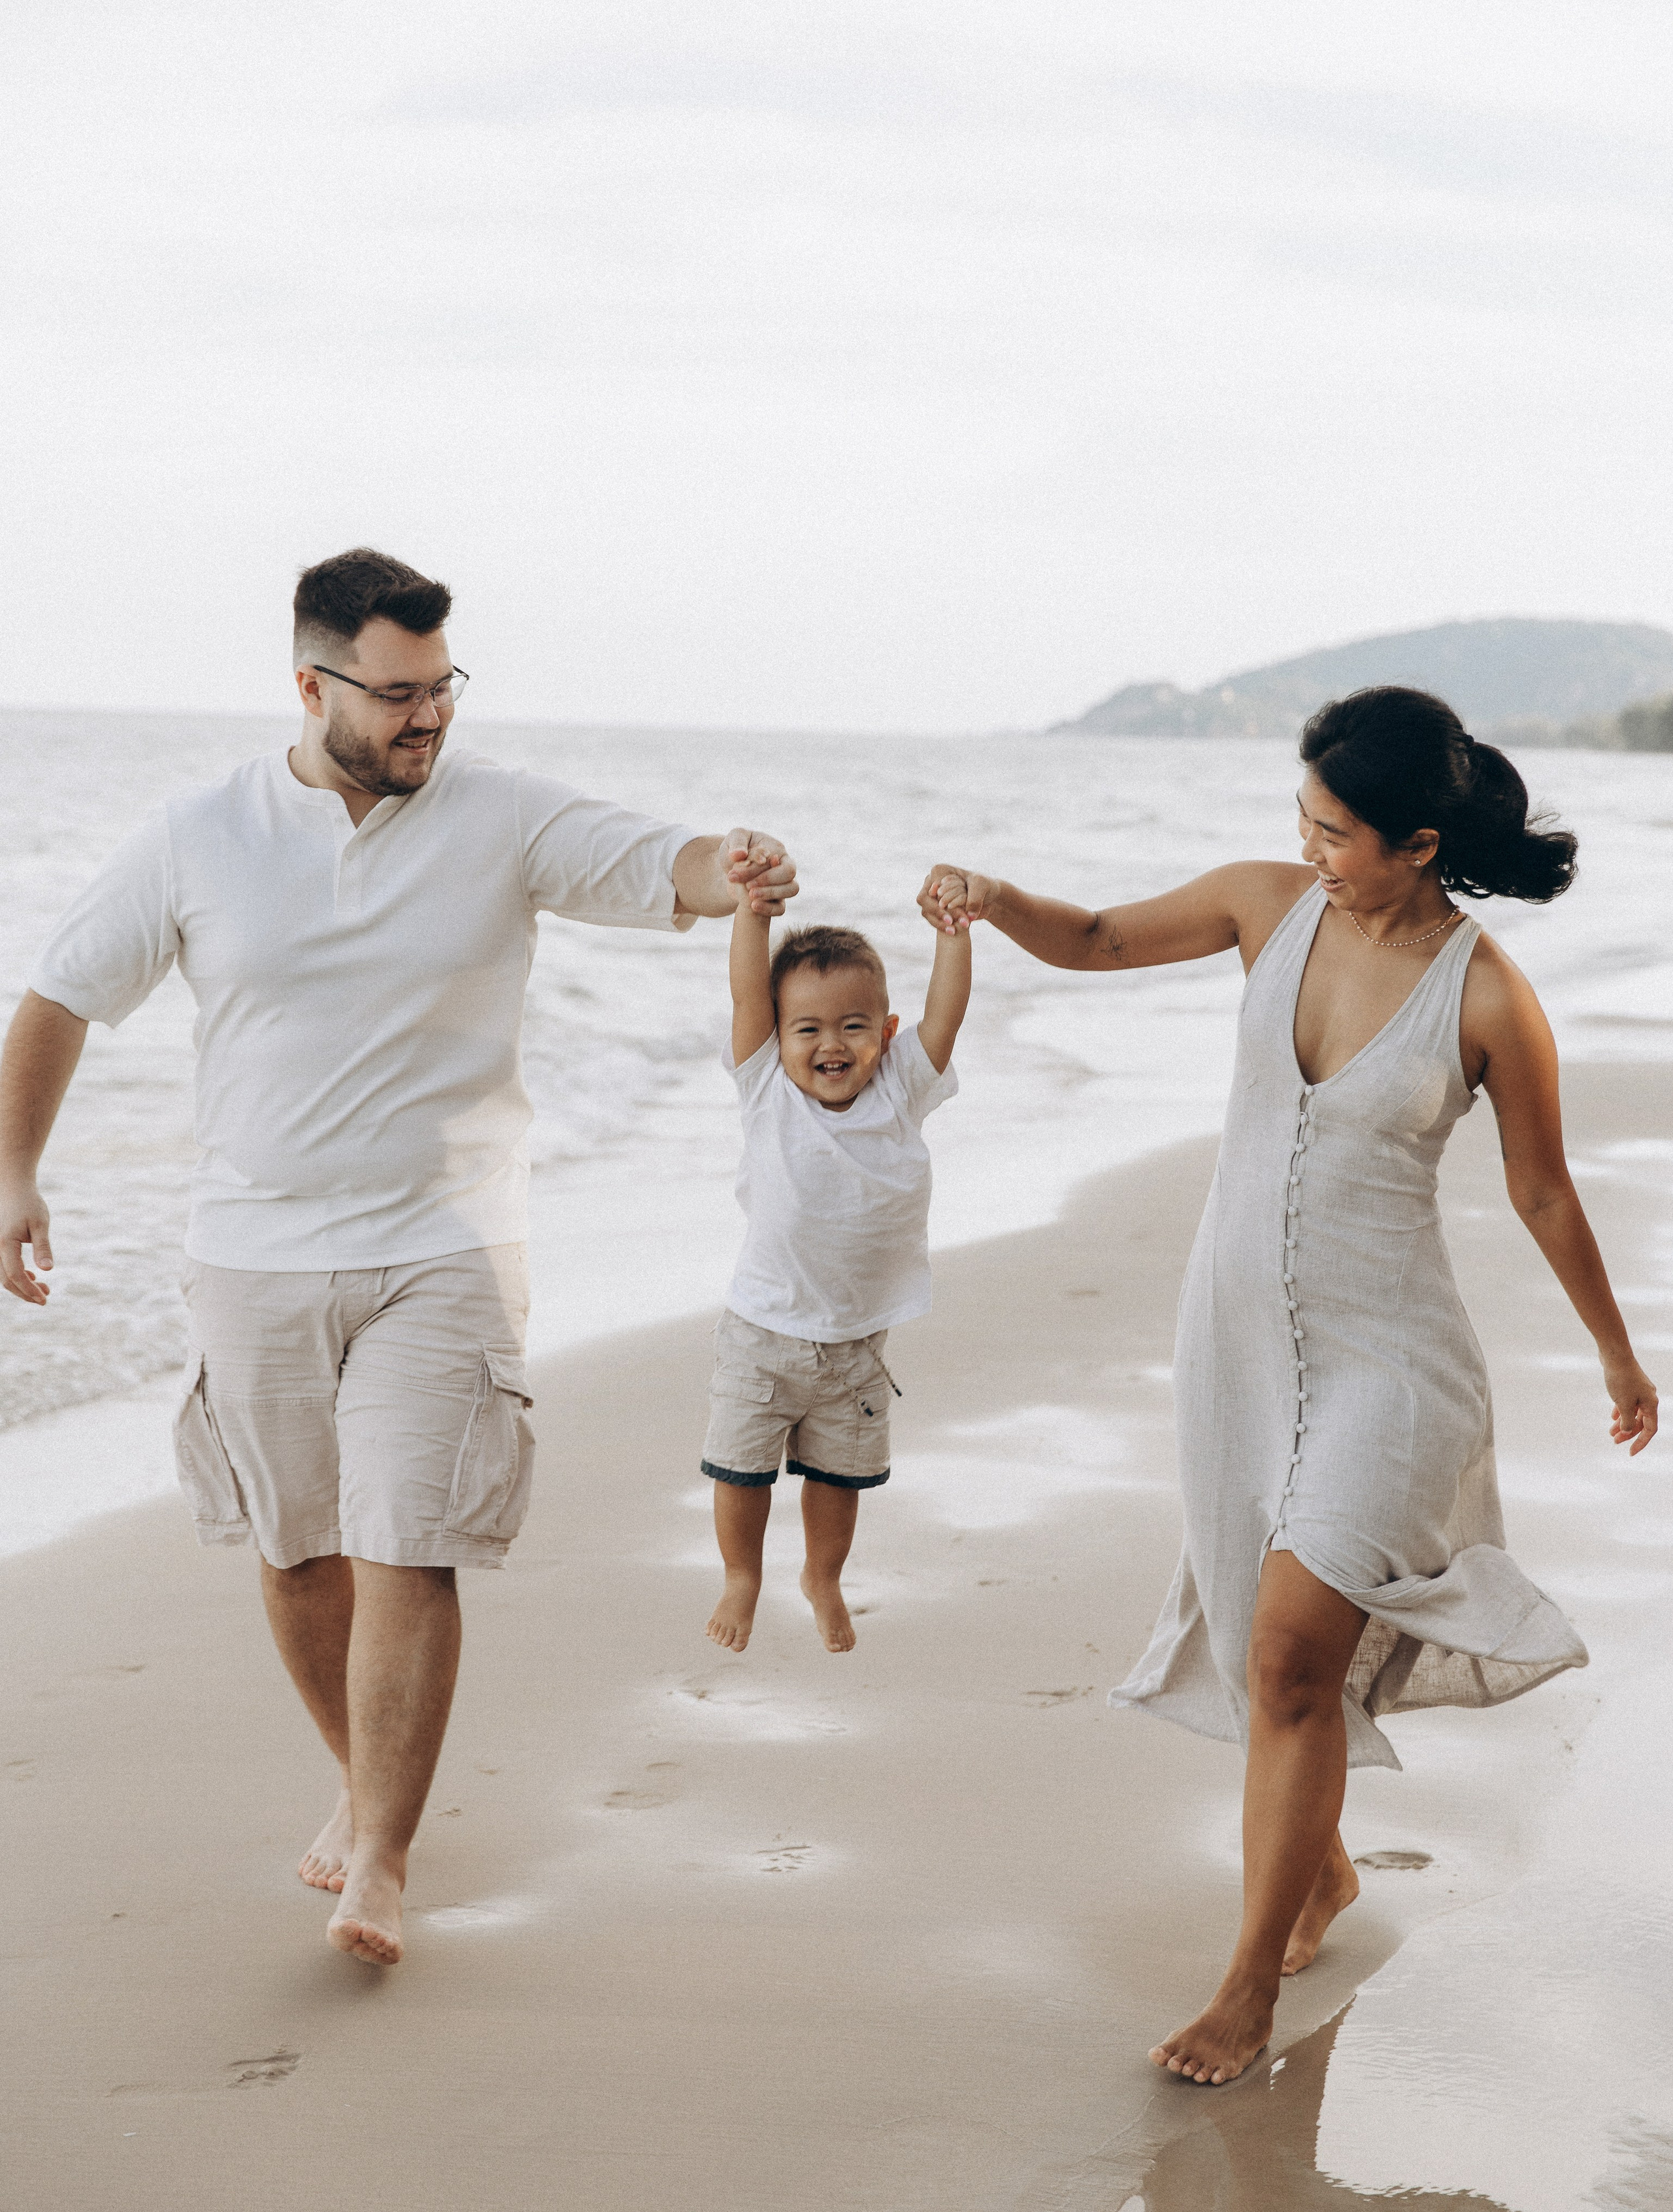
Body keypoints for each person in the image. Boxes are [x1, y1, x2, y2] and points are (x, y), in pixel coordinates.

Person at [0, 546, 797, 1968]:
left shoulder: (498, 815)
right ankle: (363, 1779)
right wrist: (14, 1171)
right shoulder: (200, 834)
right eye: (395, 694)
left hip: (448, 1242)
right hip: (251, 1250)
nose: (427, 718)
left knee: (405, 1542)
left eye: (443, 689)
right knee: (300, 1547)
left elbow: (650, 863)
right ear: (310, 686)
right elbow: (61, 993)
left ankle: (381, 1853)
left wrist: (727, 865)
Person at [916, 685, 1657, 2085]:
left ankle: (1244, 1990)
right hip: (1234, 1348)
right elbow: (1088, 939)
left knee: (1285, 1659)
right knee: (1270, 1651)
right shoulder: (1266, 906)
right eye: (1301, 819)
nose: (1309, 844)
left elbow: (1543, 1190)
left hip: (1394, 1367)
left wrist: (1617, 1353)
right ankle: (1315, 1879)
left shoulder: (1488, 993)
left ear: (1415, 842)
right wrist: (989, 894)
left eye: (1335, 829)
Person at [702, 885, 972, 1654]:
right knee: (740, 1469)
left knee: (837, 1477)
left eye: (854, 1027)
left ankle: (822, 1575)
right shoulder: (766, 1088)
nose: (832, 1044)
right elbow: (745, 989)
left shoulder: (898, 1088)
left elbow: (945, 1017)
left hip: (855, 1345)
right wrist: (753, 913)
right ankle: (741, 1574)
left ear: (885, 1034)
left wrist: (953, 937)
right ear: (777, 1035)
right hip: (761, 1333)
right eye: (808, 1028)